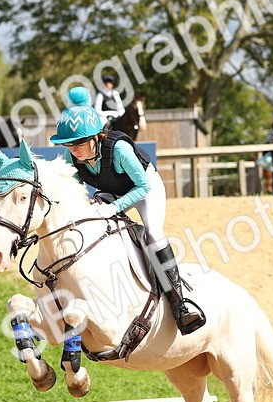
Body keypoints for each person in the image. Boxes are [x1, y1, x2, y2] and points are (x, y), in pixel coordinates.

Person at [50, 87, 205, 335]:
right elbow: (75, 190)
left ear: (96, 137)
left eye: (79, 143)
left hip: (145, 188)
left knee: (153, 232)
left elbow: (142, 185)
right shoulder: (73, 158)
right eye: (69, 144)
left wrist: (113, 206)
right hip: (112, 191)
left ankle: (181, 305)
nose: (74, 149)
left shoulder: (119, 149)